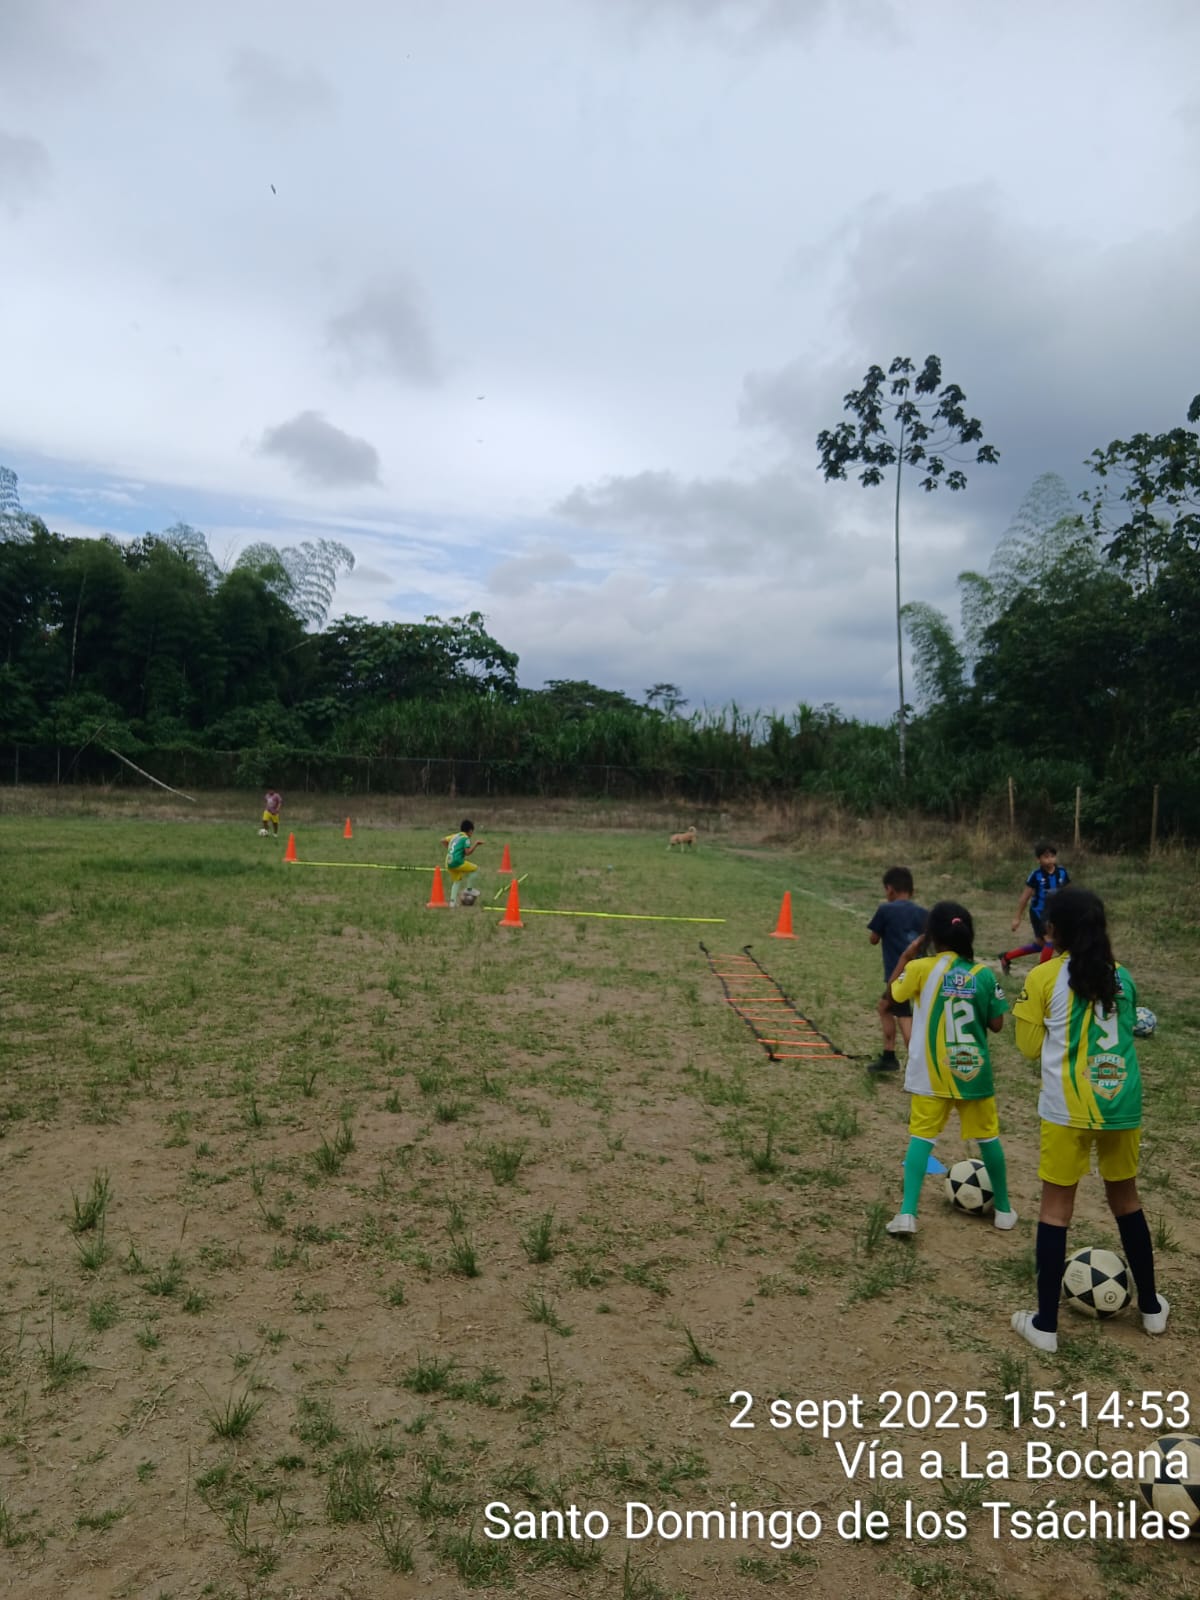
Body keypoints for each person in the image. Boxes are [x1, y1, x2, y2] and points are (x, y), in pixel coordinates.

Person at [1010, 886, 1167, 1354]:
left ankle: (1045, 1325)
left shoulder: (1043, 977)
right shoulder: (1123, 976)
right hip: (1122, 1102)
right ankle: (1151, 1308)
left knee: (1055, 1209)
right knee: (1126, 1200)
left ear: (1053, 930)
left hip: (1068, 1107)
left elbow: (1028, 1048)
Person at [885, 902, 1016, 1236]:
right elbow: (997, 1024)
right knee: (989, 1138)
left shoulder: (920, 968)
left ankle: (907, 1213)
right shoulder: (983, 974)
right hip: (973, 1072)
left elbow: (893, 993)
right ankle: (1003, 1210)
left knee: (921, 1138)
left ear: (931, 936)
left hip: (931, 1073)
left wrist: (907, 955)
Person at [866, 866, 928, 1073]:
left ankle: (917, 1064)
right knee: (885, 1007)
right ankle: (889, 1055)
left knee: (903, 1016)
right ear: (912, 890)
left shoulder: (885, 910)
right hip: (920, 972)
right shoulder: (923, 913)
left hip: (898, 974)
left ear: (890, 889)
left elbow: (873, 939)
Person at [998, 840, 1069, 975]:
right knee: (1050, 941)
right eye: (1046, 857)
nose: (1050, 860)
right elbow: (1024, 898)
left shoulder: (1062, 873)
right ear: (1038, 859)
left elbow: (1067, 892)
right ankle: (1041, 974)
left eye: (1052, 856)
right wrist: (1017, 918)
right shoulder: (1036, 876)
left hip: (1054, 913)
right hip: (1039, 913)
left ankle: (1006, 957)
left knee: (1041, 945)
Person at [442, 819, 483, 906]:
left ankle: (452, 903)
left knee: (456, 881)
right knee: (475, 869)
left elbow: (443, 840)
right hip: (457, 862)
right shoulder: (466, 838)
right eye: (472, 832)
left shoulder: (455, 836)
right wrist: (476, 844)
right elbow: (468, 852)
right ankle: (469, 890)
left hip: (448, 862)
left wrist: (451, 850)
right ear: (470, 831)